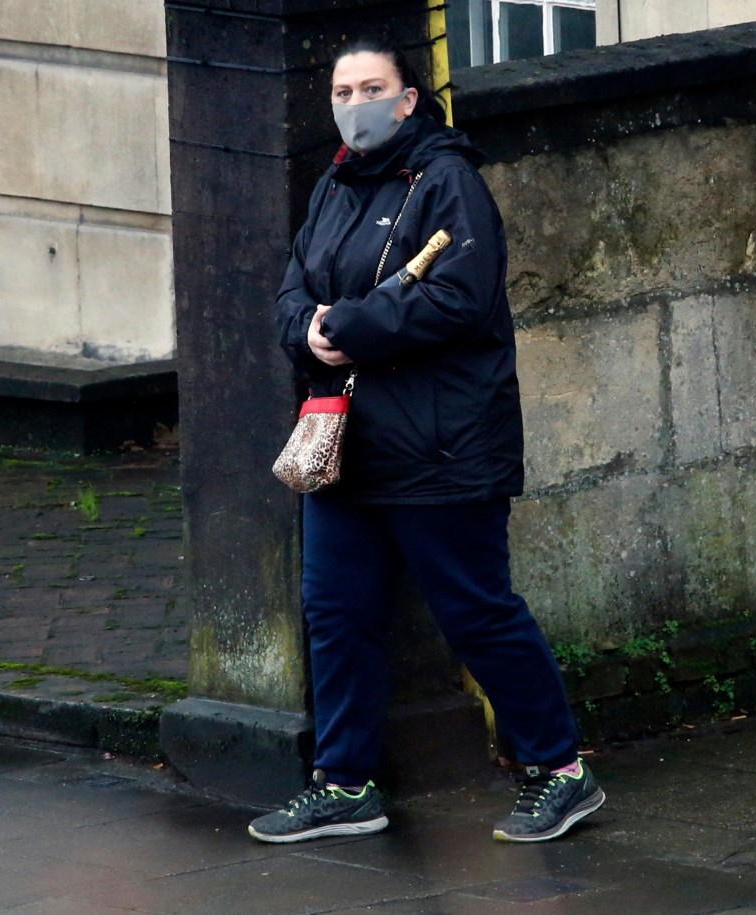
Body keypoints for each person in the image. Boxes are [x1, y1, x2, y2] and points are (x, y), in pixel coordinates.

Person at [248, 36, 605, 845]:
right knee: (336, 614)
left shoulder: (451, 183)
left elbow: (459, 300)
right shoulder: (334, 185)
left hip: (442, 447)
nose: (355, 103)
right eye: (343, 90)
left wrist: (351, 325)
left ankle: (562, 770)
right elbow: (291, 292)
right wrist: (310, 329)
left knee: (477, 614)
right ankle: (345, 783)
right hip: (346, 442)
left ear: (410, 98)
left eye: (372, 87)